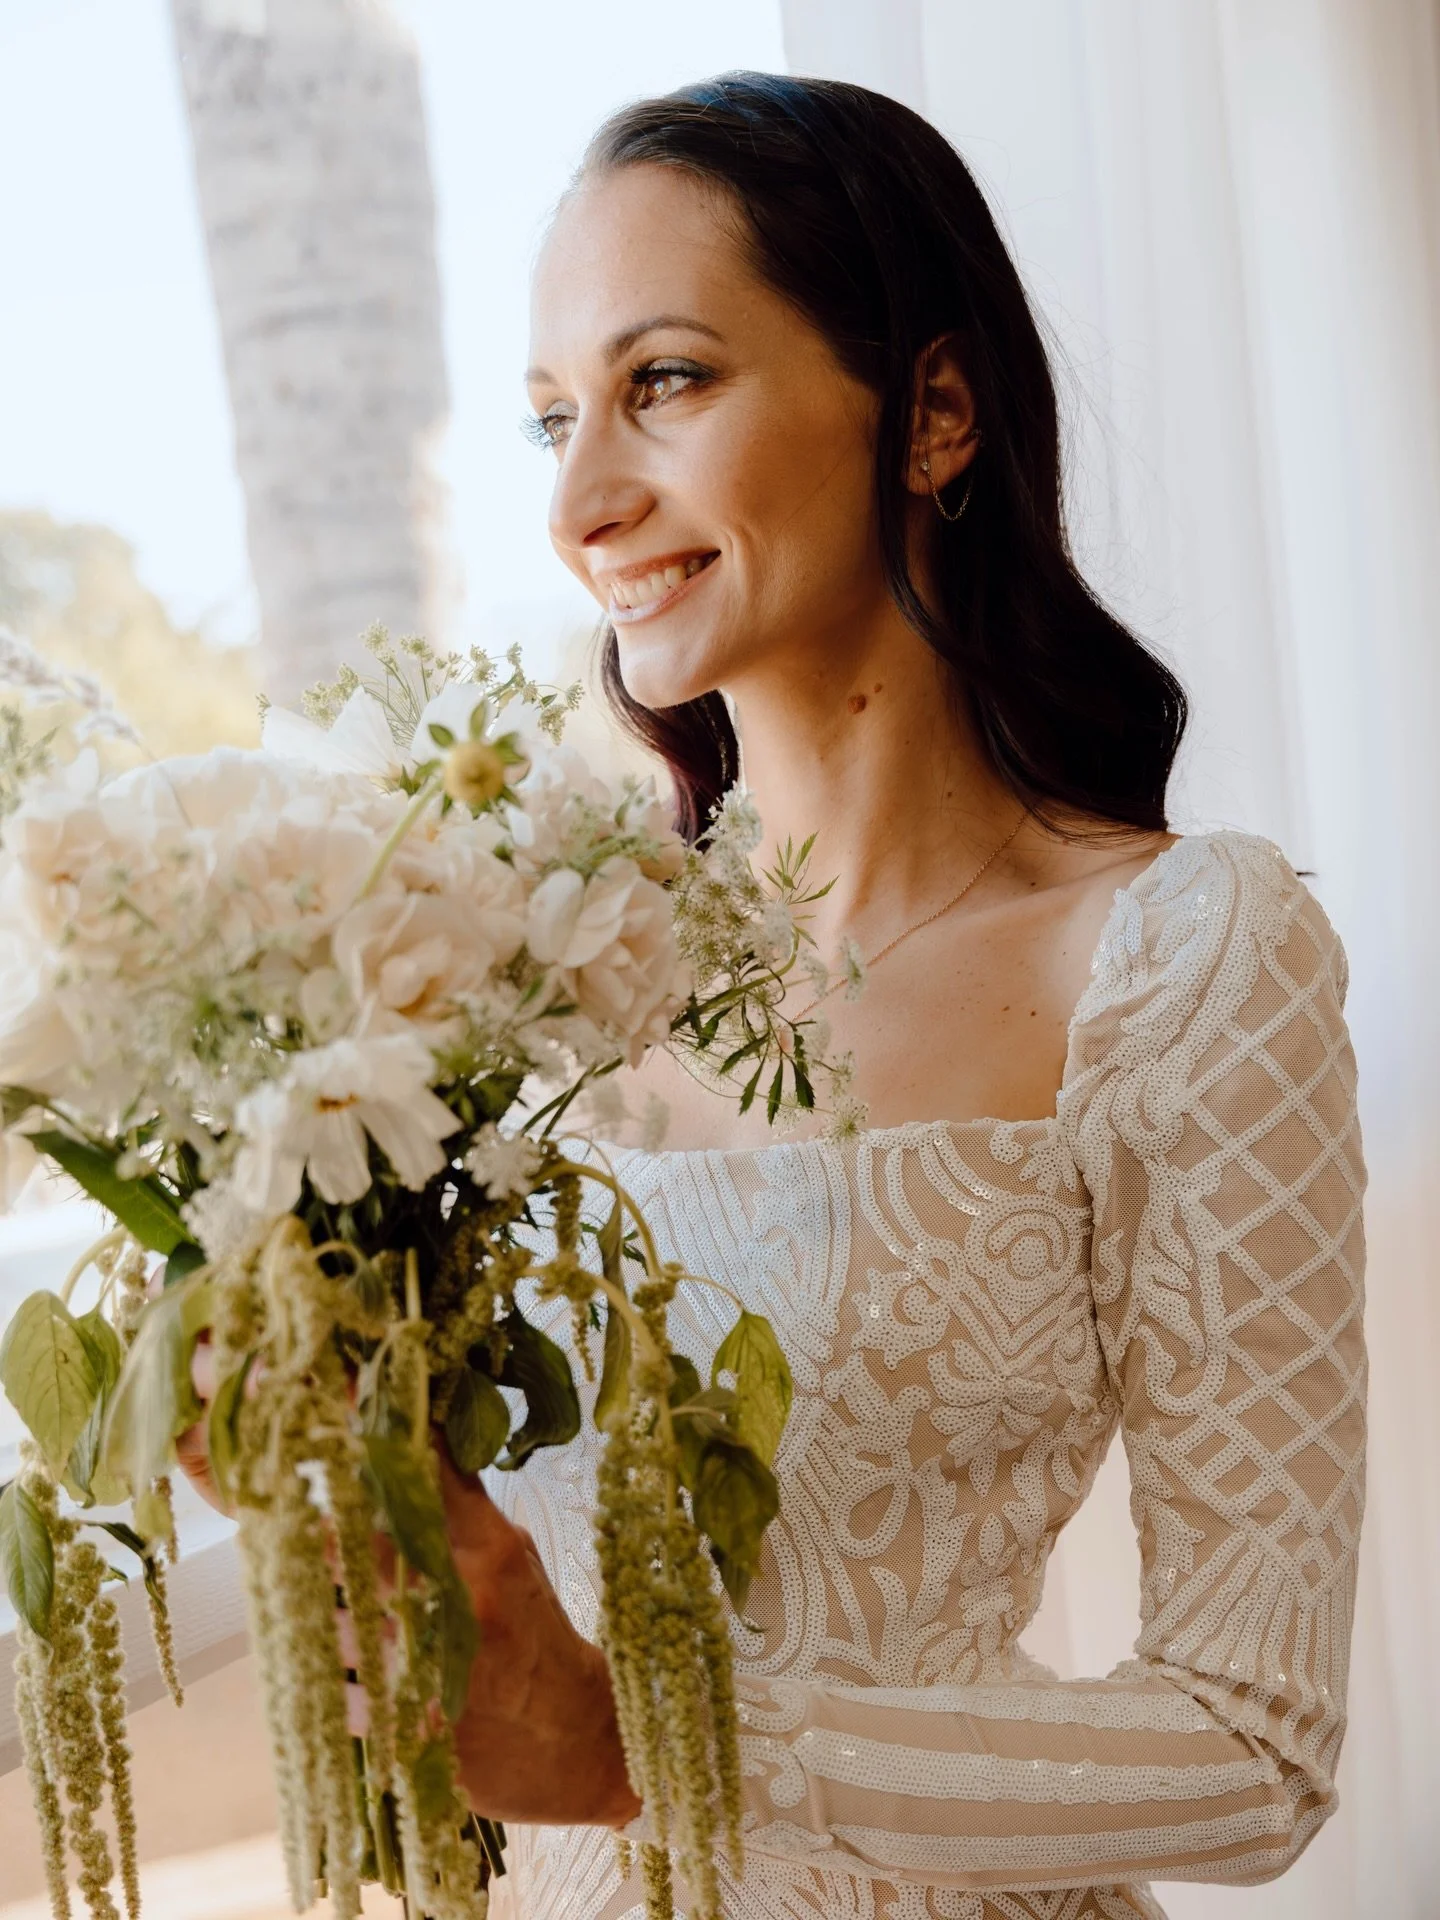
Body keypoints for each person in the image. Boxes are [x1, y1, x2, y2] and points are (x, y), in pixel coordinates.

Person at [398, 73, 1369, 1920]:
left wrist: (653, 1751)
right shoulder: (522, 982)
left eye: (663, 383)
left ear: (932, 409)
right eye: (550, 422)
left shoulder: (1181, 957)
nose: (587, 501)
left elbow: (1256, 1746)